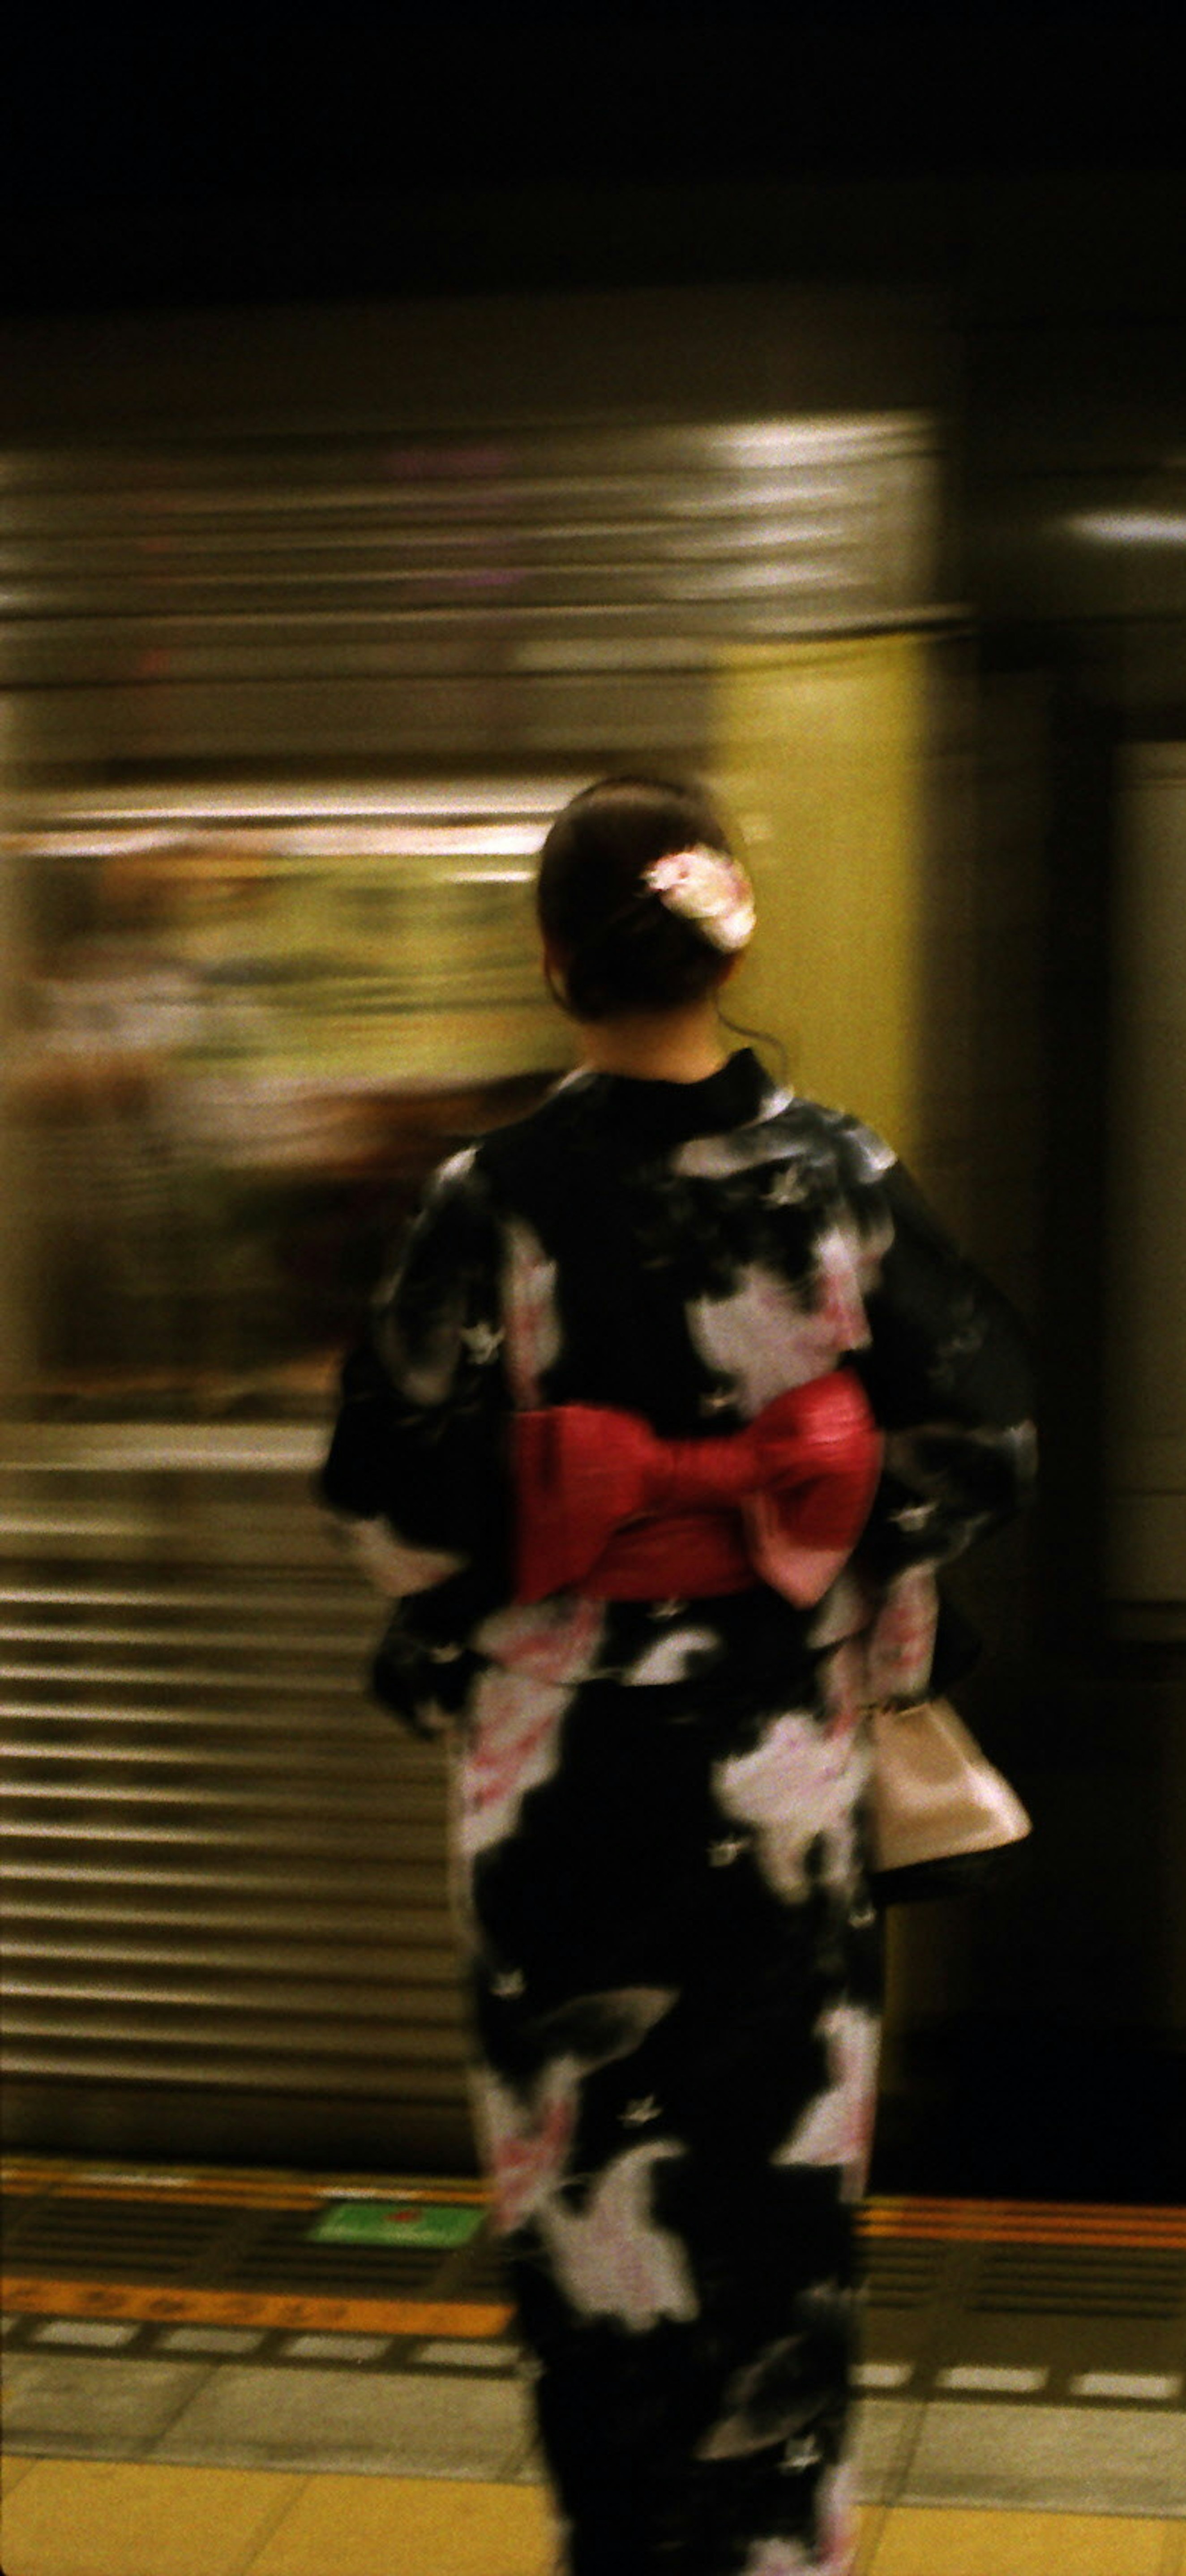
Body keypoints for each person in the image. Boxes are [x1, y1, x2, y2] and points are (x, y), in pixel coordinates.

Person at [319, 776, 1033, 2576]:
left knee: (584, 2209)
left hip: (551, 1778)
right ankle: (782, 2552)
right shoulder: (842, 1180)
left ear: (555, 959)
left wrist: (547, 1515)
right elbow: (988, 1443)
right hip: (785, 1783)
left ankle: (621, 2546)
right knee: (777, 2210)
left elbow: (389, 1498)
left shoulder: (489, 1199)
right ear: (732, 943)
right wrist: (823, 1512)